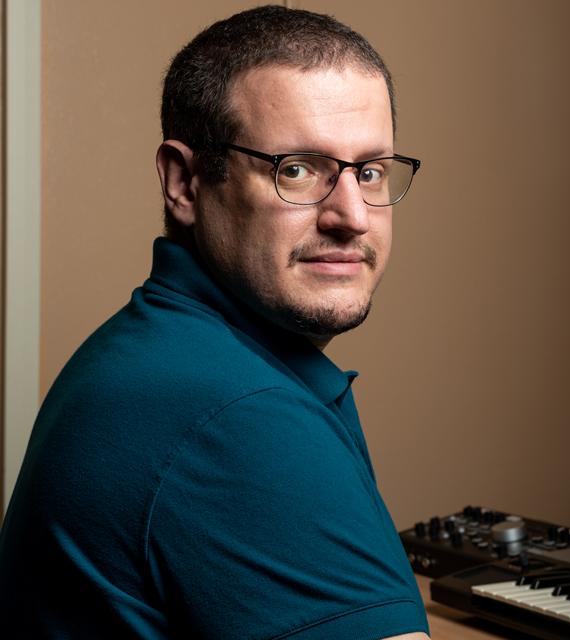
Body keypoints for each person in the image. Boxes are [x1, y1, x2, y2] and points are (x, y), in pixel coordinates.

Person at [0, 6, 428, 639]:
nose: (353, 216)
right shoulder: (233, 415)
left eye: (368, 172)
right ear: (185, 182)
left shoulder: (158, 351)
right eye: (298, 169)